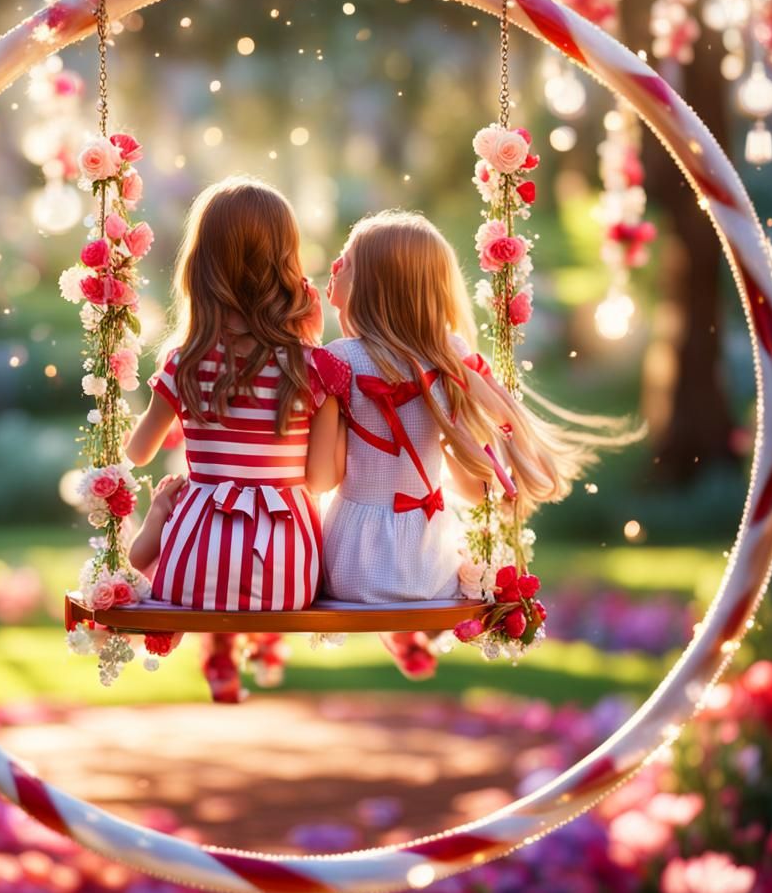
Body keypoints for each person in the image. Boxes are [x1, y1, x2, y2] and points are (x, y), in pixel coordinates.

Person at [306, 210, 632, 675]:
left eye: (348, 260)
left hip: (352, 568)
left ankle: (405, 642)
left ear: (376, 285)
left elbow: (322, 478)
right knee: (444, 548)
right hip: (428, 569)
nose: (334, 267)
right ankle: (410, 641)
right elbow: (467, 485)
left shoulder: (337, 359)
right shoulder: (448, 355)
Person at [126, 175, 328, 615]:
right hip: (287, 579)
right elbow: (320, 479)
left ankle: (168, 521)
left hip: (191, 574)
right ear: (287, 264)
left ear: (201, 264)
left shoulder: (186, 362)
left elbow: (138, 452)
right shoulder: (308, 367)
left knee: (164, 522)